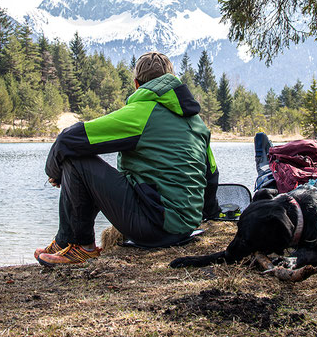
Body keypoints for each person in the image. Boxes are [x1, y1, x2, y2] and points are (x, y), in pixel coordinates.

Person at [35, 51, 220, 267]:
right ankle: (63, 242)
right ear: (172, 80)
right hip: (186, 229)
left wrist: (55, 173)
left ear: (136, 84)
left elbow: (68, 139)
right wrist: (209, 214)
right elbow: (212, 176)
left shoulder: (142, 112)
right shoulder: (197, 122)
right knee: (82, 160)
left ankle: (79, 245)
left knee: (76, 160)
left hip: (154, 227)